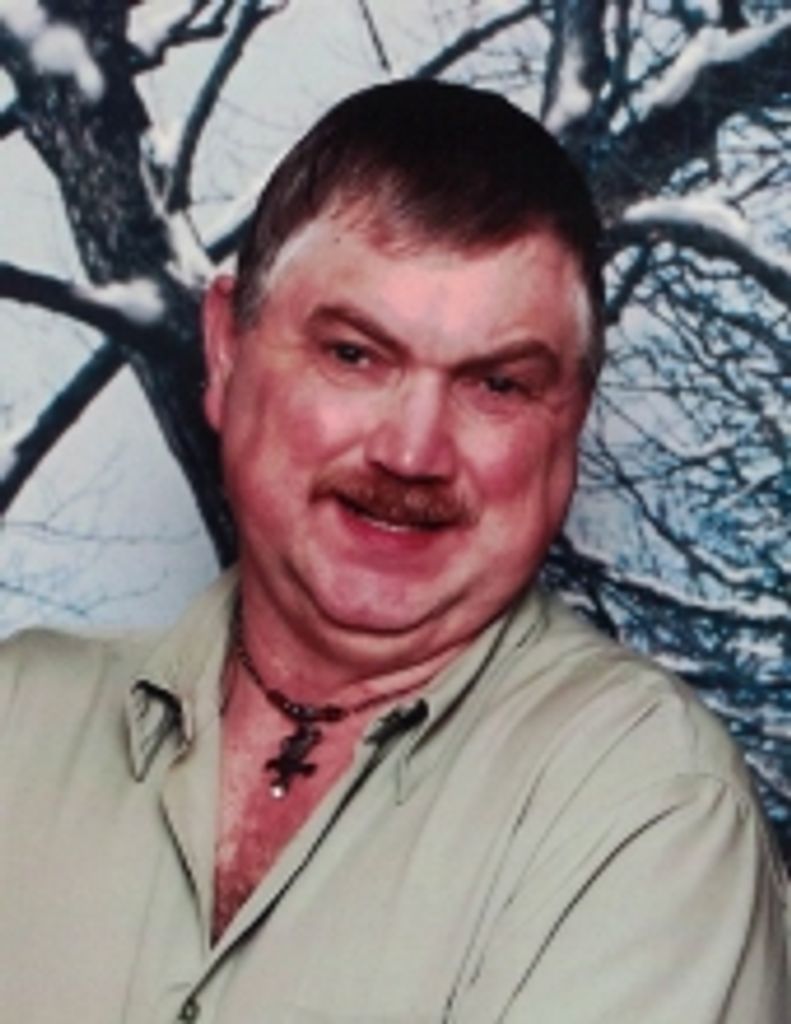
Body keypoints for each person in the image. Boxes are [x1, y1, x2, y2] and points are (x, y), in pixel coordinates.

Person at [0, 80, 787, 1023]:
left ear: (570, 420)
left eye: (495, 384)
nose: (411, 453)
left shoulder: (649, 806)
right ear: (224, 351)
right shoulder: (18, 717)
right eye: (353, 355)